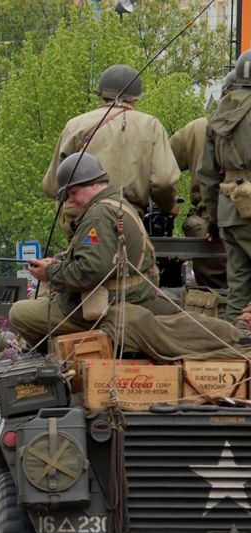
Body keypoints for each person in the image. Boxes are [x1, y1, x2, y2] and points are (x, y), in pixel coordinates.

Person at [12, 152, 169, 347]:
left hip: (109, 305)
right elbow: (97, 258)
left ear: (93, 184)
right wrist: (58, 262)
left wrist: (51, 273)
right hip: (132, 295)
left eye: (73, 192)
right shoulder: (117, 203)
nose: (71, 200)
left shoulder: (99, 215)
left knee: (19, 313)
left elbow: (90, 270)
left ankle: (55, 356)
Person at [42, 64, 179, 232]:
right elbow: (163, 181)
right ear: (135, 98)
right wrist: (168, 206)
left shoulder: (75, 125)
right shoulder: (150, 126)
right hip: (125, 220)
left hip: (81, 222)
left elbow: (51, 187)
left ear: (101, 95)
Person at [201, 50, 251, 322]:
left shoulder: (219, 113)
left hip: (229, 208)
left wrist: (213, 219)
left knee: (238, 285)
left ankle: (234, 347)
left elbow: (206, 174)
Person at [170, 74, 233, 290]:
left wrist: (167, 202)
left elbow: (162, 170)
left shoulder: (198, 128)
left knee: (214, 298)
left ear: (223, 93)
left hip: (209, 230)